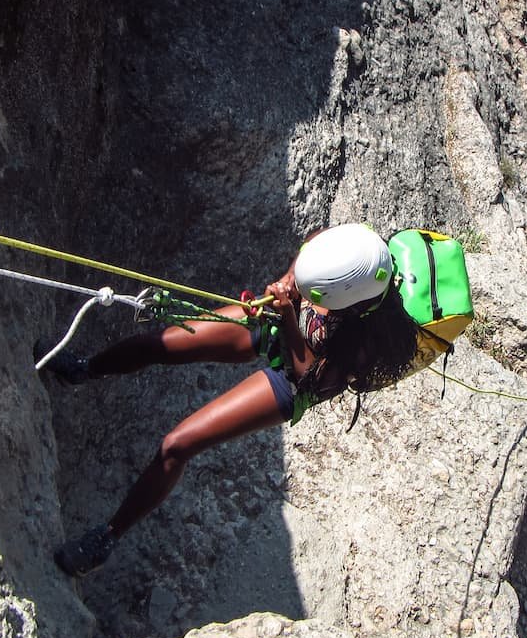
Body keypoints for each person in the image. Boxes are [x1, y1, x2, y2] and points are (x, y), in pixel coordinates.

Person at [40, 224, 419, 576]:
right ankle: (83, 368)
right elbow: (313, 246)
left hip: (294, 379)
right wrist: (288, 283)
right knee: (163, 343)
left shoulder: (371, 342)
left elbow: (310, 378)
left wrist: (289, 313)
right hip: (275, 324)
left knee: (178, 444)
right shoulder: (353, 253)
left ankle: (107, 537)